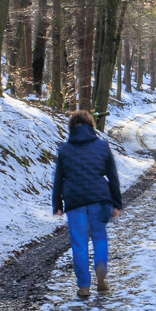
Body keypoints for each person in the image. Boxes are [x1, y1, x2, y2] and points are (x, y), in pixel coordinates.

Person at [52, 109, 122, 299]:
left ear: (71, 128)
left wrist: (57, 204)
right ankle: (101, 268)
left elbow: (58, 179)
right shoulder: (102, 146)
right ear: (92, 126)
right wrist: (117, 203)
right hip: (100, 198)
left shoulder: (64, 149)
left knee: (79, 243)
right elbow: (113, 176)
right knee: (99, 237)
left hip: (74, 200)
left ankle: (84, 286)